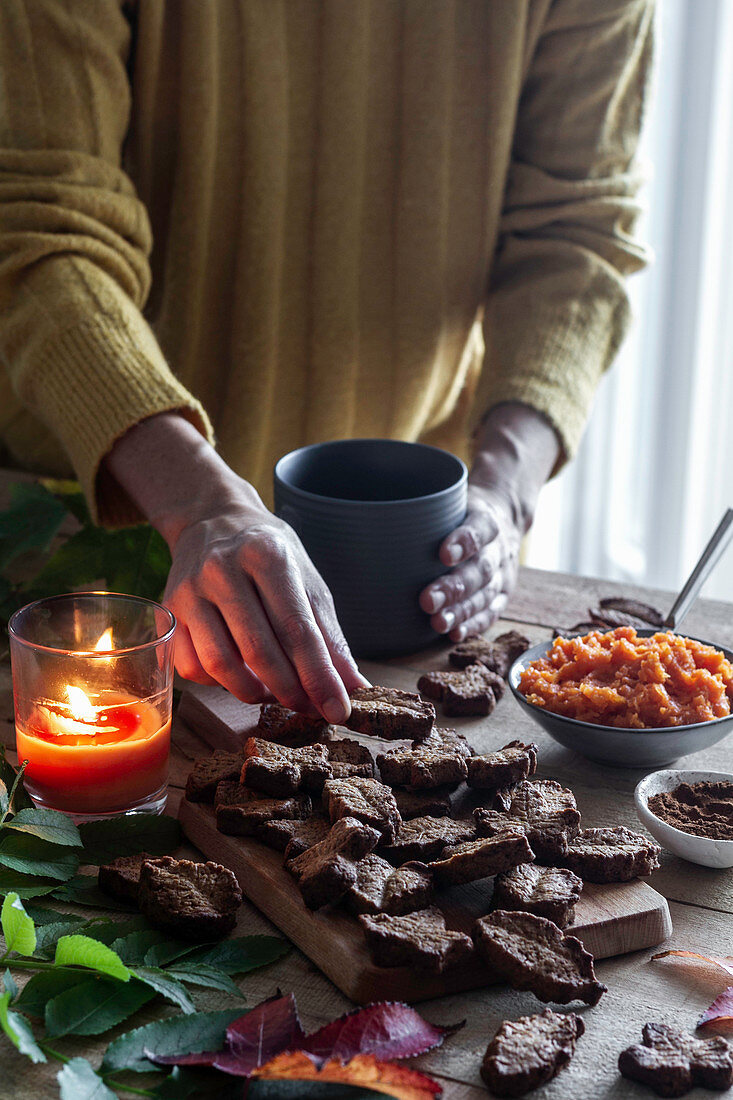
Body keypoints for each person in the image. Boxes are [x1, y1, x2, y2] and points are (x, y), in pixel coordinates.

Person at [0, 0, 653, 724]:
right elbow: (41, 227)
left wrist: (503, 491)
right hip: (98, 514)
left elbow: (575, 239)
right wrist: (196, 502)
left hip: (413, 555)